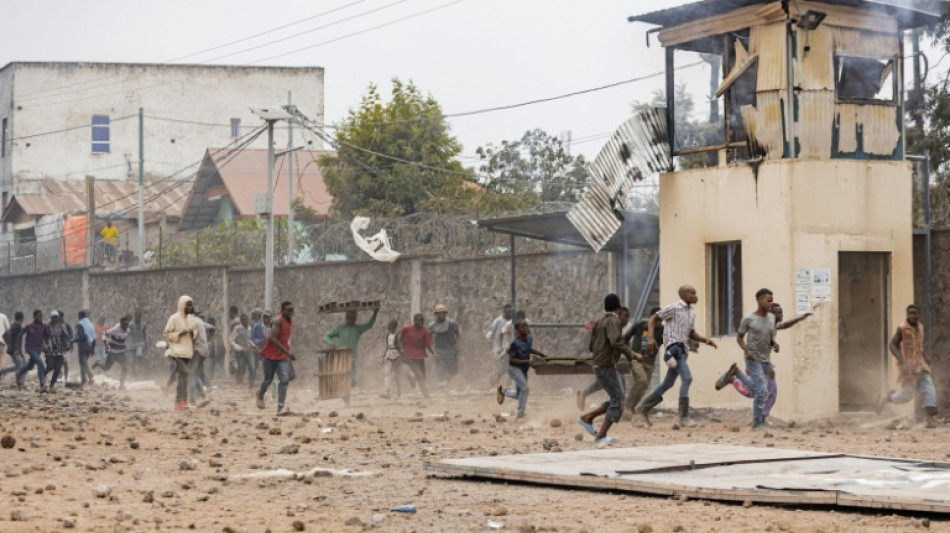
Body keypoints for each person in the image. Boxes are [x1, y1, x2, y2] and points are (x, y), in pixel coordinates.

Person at [714, 302, 810, 427]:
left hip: (757, 361)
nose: (781, 314)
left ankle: (735, 376)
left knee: (754, 391)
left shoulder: (771, 325)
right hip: (756, 361)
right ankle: (760, 419)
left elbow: (784, 326)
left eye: (782, 312)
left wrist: (800, 318)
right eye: (779, 313)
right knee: (770, 392)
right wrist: (769, 367)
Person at [635, 285, 718, 428]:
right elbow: (653, 318)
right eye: (692, 293)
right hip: (674, 349)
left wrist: (705, 340)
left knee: (668, 383)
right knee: (687, 378)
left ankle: (643, 407)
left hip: (683, 350)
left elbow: (691, 333)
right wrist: (650, 337)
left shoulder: (691, 312)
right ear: (684, 295)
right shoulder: (673, 308)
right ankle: (683, 417)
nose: (695, 296)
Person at [577, 295, 641, 446]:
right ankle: (601, 435)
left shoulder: (600, 322)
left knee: (616, 399)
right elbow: (616, 342)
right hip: (606, 366)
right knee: (619, 400)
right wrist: (632, 355)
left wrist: (604, 352)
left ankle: (588, 418)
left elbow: (591, 346)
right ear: (618, 308)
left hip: (600, 365)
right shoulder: (613, 321)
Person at [875, 304, 940, 428]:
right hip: (908, 368)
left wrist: (925, 356)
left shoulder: (921, 327)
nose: (912, 316)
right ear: (907, 315)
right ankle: (886, 398)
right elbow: (892, 345)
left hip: (921, 365)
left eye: (914, 313)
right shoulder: (902, 328)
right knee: (907, 395)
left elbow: (918, 346)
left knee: (929, 389)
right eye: (909, 313)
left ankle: (930, 419)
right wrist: (902, 362)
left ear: (919, 315)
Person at [733, 288, 778, 430]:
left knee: (760, 389)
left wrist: (775, 344)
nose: (770, 303)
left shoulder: (772, 318)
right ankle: (757, 423)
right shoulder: (748, 319)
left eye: (772, 301)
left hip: (766, 359)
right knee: (762, 390)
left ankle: (736, 375)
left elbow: (770, 338)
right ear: (759, 301)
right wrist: (747, 351)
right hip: (753, 358)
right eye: (768, 300)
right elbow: (739, 338)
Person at [576, 307, 636, 410]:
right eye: (622, 318)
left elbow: (625, 344)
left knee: (613, 380)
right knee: (604, 382)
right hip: (603, 359)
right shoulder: (609, 325)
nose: (624, 321)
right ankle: (620, 406)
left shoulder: (626, 327)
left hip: (612, 360)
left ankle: (621, 406)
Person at [496, 320, 548, 419]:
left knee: (519, 394)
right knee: (525, 389)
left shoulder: (529, 338)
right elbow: (511, 360)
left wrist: (541, 354)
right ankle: (520, 415)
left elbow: (528, 349)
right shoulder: (515, 344)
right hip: (514, 368)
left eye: (526, 326)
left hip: (523, 368)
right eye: (523, 327)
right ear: (517, 330)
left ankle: (502, 390)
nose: (526, 328)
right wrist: (527, 361)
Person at [257, 301, 295, 415]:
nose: (291, 313)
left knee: (284, 379)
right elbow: (272, 338)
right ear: (283, 311)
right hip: (270, 356)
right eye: (289, 310)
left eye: (292, 310)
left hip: (282, 357)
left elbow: (284, 338)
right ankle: (260, 395)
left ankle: (280, 406)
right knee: (267, 380)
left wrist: (287, 353)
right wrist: (287, 352)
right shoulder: (278, 320)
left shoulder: (290, 321)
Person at [324, 308, 378, 388]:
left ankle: (345, 390)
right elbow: (326, 336)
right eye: (349, 318)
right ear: (346, 318)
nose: (351, 320)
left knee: (352, 381)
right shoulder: (340, 328)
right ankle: (341, 391)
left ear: (355, 319)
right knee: (339, 377)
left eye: (353, 318)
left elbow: (369, 325)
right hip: (340, 357)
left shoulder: (358, 329)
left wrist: (375, 313)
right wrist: (331, 344)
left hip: (351, 358)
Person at [163, 296, 198, 411]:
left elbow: (195, 333)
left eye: (191, 305)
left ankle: (179, 403)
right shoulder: (173, 318)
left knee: (183, 377)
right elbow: (166, 334)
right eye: (188, 305)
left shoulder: (191, 319)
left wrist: (192, 333)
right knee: (185, 372)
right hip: (176, 352)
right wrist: (179, 334)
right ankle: (182, 400)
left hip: (187, 352)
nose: (190, 307)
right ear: (183, 305)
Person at [400, 313, 433, 399]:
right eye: (418, 320)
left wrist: (433, 353)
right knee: (420, 375)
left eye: (421, 320)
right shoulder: (406, 329)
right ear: (414, 321)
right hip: (409, 356)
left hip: (420, 356)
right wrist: (401, 350)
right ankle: (427, 396)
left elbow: (428, 344)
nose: (420, 322)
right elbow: (401, 340)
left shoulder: (425, 330)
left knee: (423, 377)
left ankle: (412, 377)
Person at [18, 310, 50, 393]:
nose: (40, 317)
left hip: (38, 348)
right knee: (40, 363)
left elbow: (48, 335)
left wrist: (46, 344)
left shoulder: (45, 326)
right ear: (34, 316)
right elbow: (20, 334)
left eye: (41, 316)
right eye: (39, 316)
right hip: (30, 348)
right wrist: (19, 347)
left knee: (30, 366)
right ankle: (42, 384)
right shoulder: (29, 326)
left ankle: (19, 372)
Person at [95, 315, 131, 390]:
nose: (126, 325)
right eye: (124, 324)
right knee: (106, 368)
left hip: (121, 353)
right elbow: (104, 333)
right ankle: (98, 363)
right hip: (113, 353)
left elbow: (126, 339)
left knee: (125, 367)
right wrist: (106, 343)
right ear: (121, 324)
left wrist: (126, 347)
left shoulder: (128, 330)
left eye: (127, 324)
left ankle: (121, 385)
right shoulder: (115, 329)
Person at [429, 304, 461, 388]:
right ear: (436, 314)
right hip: (439, 350)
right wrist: (432, 349)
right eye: (439, 313)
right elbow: (428, 337)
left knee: (453, 370)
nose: (441, 315)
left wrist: (457, 345)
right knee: (441, 369)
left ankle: (447, 381)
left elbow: (457, 334)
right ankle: (442, 385)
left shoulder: (452, 323)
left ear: (445, 313)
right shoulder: (432, 325)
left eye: (442, 313)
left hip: (450, 349)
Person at [485, 303, 513, 388]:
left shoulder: (513, 321)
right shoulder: (498, 320)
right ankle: (500, 379)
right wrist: (489, 337)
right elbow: (490, 331)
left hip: (510, 347)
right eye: (507, 311)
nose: (509, 313)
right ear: (504, 311)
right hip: (500, 348)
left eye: (510, 311)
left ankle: (498, 378)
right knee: (507, 365)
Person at [45, 311, 72, 392]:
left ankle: (52, 385)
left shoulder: (61, 326)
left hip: (59, 350)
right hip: (50, 351)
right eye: (54, 317)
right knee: (50, 366)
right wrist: (45, 346)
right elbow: (43, 337)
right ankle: (42, 378)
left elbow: (66, 336)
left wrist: (68, 345)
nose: (55, 319)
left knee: (57, 368)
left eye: (56, 317)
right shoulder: (47, 326)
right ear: (51, 318)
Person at [230, 313, 256, 390]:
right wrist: (239, 348)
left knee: (252, 368)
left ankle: (251, 386)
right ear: (241, 321)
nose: (245, 321)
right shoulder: (237, 329)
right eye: (243, 320)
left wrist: (253, 345)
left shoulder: (249, 328)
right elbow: (231, 340)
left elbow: (249, 339)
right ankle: (238, 381)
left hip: (249, 351)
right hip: (240, 353)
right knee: (241, 369)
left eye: (246, 319)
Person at [0, 312, 26, 388]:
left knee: (20, 365)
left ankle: (19, 382)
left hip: (16, 350)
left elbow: (7, 334)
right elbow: (6, 333)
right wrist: (10, 345)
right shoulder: (17, 325)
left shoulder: (16, 325)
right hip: (15, 350)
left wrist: (9, 344)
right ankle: (20, 382)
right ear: (22, 318)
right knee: (22, 366)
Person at [381, 319, 404, 399]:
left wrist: (400, 358)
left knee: (398, 376)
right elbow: (387, 346)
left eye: (391, 328)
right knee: (387, 373)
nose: (390, 330)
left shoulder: (398, 336)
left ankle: (399, 393)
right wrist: (384, 355)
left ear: (394, 328)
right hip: (389, 355)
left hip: (397, 356)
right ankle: (388, 391)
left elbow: (400, 348)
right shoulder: (388, 335)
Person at [75, 310, 96, 386]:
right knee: (84, 362)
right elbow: (94, 338)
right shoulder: (90, 324)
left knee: (82, 363)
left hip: (83, 346)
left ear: (79, 316)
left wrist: (72, 340)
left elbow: (81, 337)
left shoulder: (80, 324)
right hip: (89, 346)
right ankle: (89, 378)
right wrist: (92, 350)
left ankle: (85, 379)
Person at [127, 311, 147, 378]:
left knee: (139, 356)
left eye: (139, 316)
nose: (137, 317)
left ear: (140, 317)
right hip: (132, 343)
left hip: (140, 343)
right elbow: (127, 333)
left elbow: (144, 333)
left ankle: (139, 370)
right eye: (136, 316)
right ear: (135, 316)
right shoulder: (131, 324)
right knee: (132, 360)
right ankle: (133, 372)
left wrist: (145, 343)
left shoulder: (143, 324)